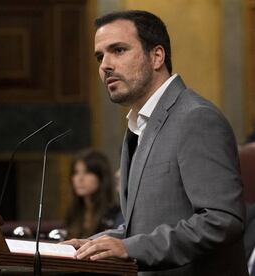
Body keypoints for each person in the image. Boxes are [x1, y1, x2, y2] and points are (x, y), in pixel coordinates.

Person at [63, 10, 248, 275]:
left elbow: (222, 220)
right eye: (100, 56)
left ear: (157, 56)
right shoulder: (139, 125)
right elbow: (144, 226)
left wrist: (130, 249)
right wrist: (93, 244)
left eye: (118, 50)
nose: (105, 65)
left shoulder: (196, 118)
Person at [64, 149, 123, 239]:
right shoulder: (73, 213)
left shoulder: (115, 215)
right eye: (76, 172)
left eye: (87, 172)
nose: (80, 179)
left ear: (101, 177)